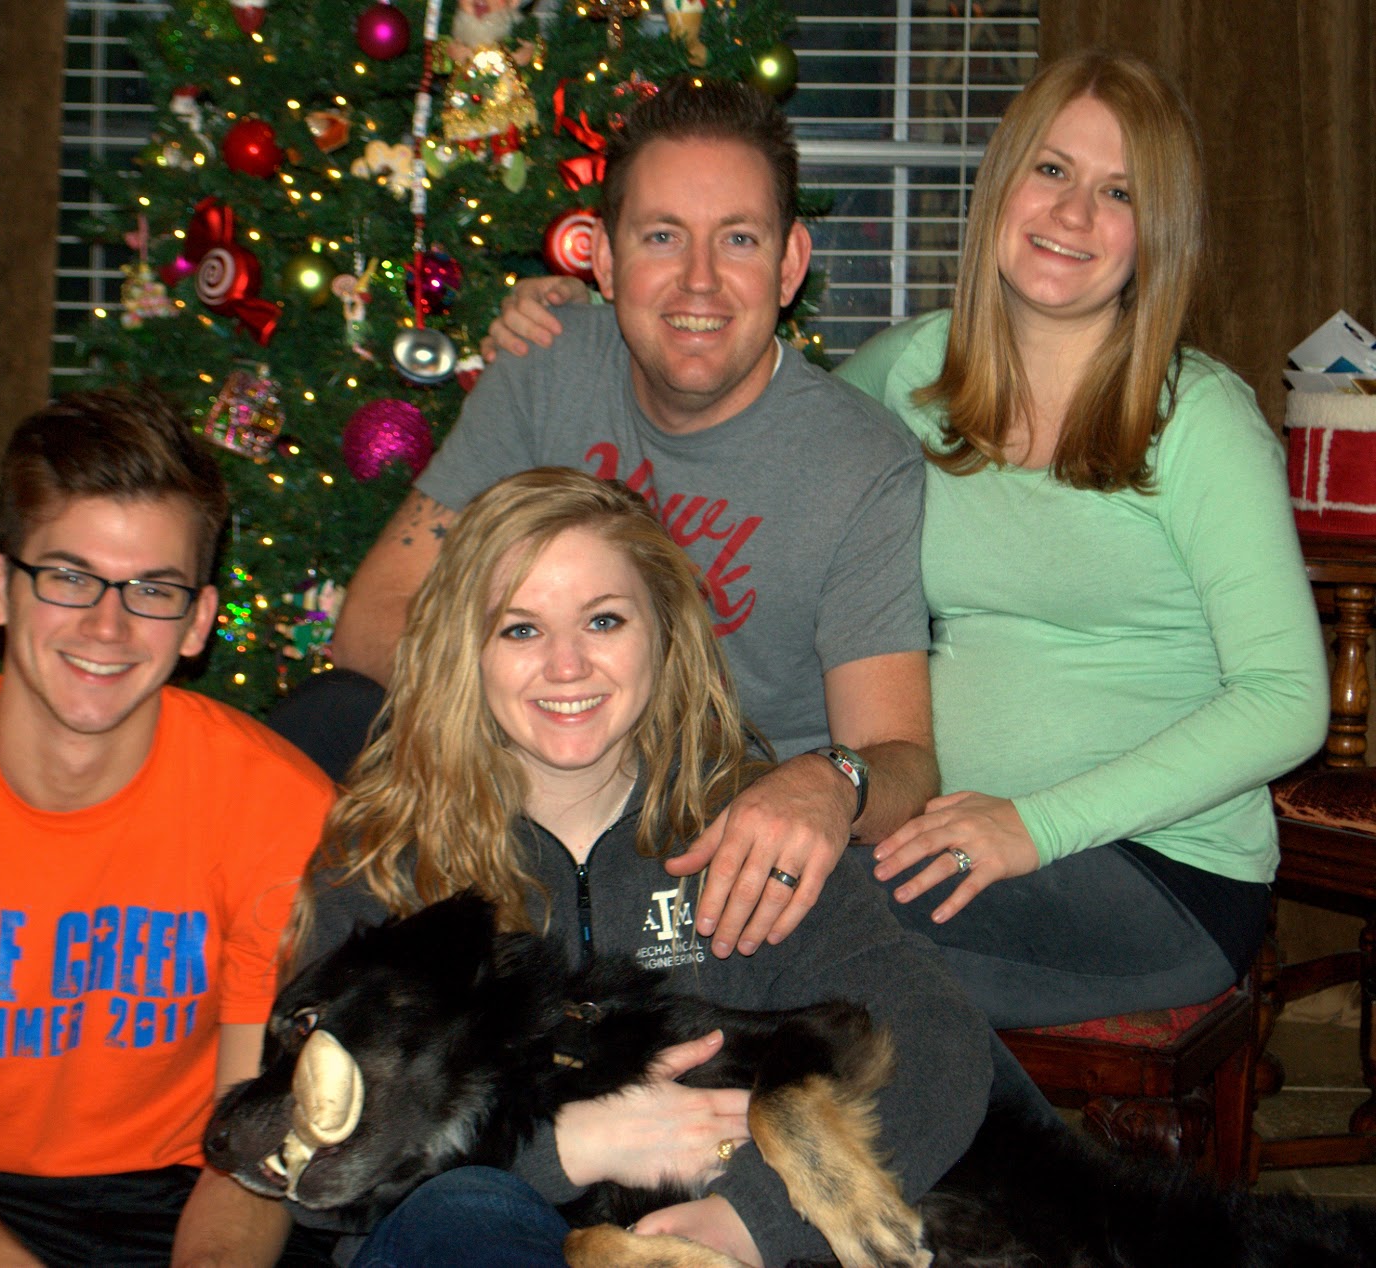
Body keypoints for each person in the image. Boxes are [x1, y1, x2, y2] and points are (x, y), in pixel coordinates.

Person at [489, 50, 1330, 1029]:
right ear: (1003, 182)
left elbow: (1287, 700)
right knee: (715, 889)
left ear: (1157, 232)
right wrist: (589, 325)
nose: (1071, 214)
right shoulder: (910, 372)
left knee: (760, 919)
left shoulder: (1199, 420)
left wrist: (1032, 825)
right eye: (1051, 170)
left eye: (1119, 192)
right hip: (942, 839)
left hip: (1158, 874)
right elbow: (737, 407)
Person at [294, 467, 992, 1268]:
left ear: (663, 635)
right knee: (466, 1209)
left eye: (604, 620)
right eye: (519, 629)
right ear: (464, 651)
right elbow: (312, 1170)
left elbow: (939, 1039)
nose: (567, 666)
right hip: (472, 1244)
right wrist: (573, 1144)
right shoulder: (384, 864)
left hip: (719, 1245)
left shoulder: (753, 831)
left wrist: (751, 1222)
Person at [316, 76, 938, 963]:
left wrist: (830, 784)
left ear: (790, 263)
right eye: (661, 237)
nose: (699, 280)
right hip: (525, 789)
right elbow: (373, 621)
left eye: (738, 239)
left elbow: (901, 758)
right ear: (604, 260)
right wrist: (545, 714)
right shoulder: (545, 370)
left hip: (717, 839)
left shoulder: (860, 465)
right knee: (326, 723)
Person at [0, 388, 338, 1267]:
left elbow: (251, 1147)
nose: (107, 626)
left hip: (191, 1195)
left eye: (153, 589)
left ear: (197, 621)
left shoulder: (282, 804)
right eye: (69, 577)